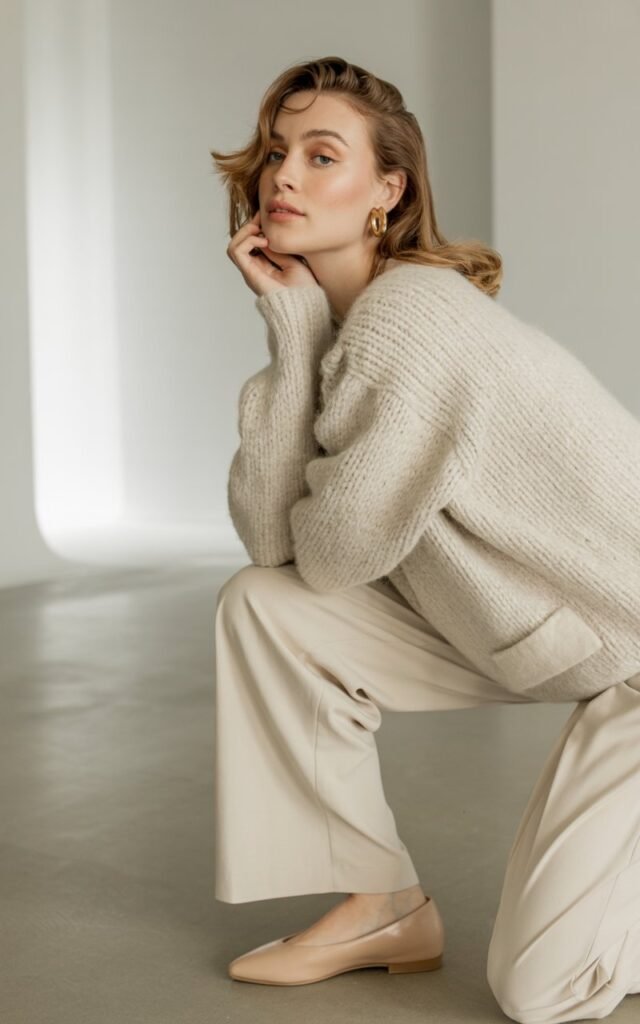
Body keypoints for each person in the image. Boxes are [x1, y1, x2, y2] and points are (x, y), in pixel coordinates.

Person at [209, 56, 640, 1020]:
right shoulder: (349, 328)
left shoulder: (408, 323)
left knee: (541, 989)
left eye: (323, 156)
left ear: (389, 190)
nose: (283, 177)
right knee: (266, 609)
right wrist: (294, 330)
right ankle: (380, 905)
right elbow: (278, 557)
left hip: (630, 653)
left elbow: (329, 554)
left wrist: (303, 335)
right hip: (566, 636)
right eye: (276, 153)